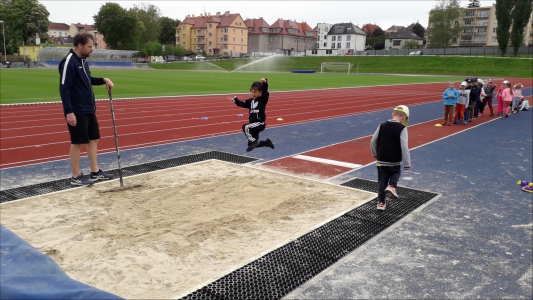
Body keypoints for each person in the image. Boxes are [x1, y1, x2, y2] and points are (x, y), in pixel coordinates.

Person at [59, 32, 115, 186]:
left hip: (89, 108)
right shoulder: (69, 62)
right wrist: (69, 112)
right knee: (77, 142)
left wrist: (104, 79)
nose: (92, 49)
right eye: (89, 46)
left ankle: (95, 172)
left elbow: (88, 80)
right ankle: (76, 176)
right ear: (79, 45)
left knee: (94, 139)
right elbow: (64, 88)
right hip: (77, 110)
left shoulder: (83, 61)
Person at [370, 105, 411, 211]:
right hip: (394, 160)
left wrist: (375, 154)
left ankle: (381, 203)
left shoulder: (382, 125)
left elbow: (373, 141)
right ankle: (392, 186)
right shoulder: (402, 128)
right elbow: (404, 147)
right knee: (396, 173)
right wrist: (407, 164)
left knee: (382, 181)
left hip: (381, 159)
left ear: (392, 114)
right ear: (404, 118)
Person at [230, 78, 275, 152]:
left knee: (245, 127)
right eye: (252, 92)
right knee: (250, 144)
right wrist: (236, 101)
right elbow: (243, 104)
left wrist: (265, 83)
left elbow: (266, 93)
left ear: (260, 92)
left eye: (256, 92)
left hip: (260, 124)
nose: (253, 94)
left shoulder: (262, 100)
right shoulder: (250, 101)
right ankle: (266, 143)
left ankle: (254, 141)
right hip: (253, 125)